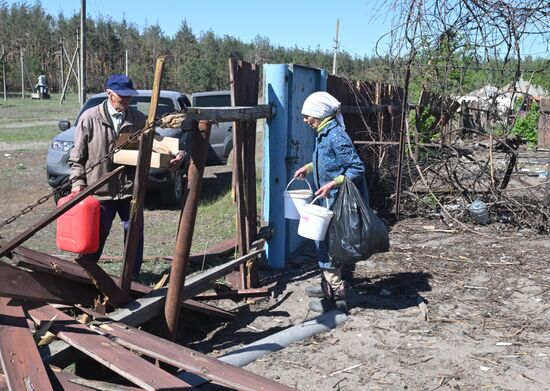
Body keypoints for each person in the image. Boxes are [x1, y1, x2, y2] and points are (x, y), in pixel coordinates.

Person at [68, 74, 184, 280]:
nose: (127, 100)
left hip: (130, 192)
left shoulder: (139, 119)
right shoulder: (90, 118)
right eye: (122, 96)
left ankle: (131, 279)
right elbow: (76, 158)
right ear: (109, 94)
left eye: (130, 96)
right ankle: (84, 279)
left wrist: (176, 153)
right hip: (100, 194)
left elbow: (157, 142)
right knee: (94, 239)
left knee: (133, 238)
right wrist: (78, 183)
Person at [294, 91, 369, 313]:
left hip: (335, 202)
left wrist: (331, 184)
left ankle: (337, 300)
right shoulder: (323, 133)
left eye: (309, 116)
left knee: (328, 246)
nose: (306, 120)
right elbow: (328, 161)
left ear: (319, 114)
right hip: (326, 200)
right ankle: (326, 286)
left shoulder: (336, 136)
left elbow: (356, 167)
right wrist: (308, 168)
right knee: (323, 243)